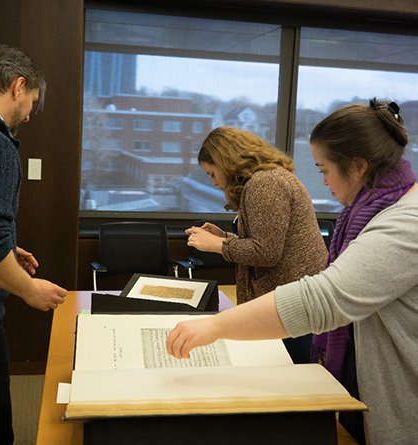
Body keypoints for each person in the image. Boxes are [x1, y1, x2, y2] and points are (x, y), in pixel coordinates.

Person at [167, 99, 418, 445]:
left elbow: (323, 296)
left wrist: (216, 325)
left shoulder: (404, 223)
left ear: (358, 166)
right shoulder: (376, 211)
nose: (324, 183)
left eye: (323, 169)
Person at [0, 44, 67, 445]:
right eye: (32, 103)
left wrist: (6, 247)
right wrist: (28, 288)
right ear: (17, 85)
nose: (29, 114)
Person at [185, 126, 328, 363]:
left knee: (294, 376)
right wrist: (224, 237)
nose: (213, 183)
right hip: (294, 298)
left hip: (293, 303)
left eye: (212, 173)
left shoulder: (265, 184)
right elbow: (268, 241)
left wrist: (218, 246)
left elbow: (267, 252)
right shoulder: (269, 178)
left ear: (226, 161)